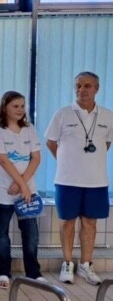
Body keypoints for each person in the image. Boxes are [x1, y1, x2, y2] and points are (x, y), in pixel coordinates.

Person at [45, 71, 113, 285]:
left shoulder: (108, 116)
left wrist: (88, 162)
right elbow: (51, 142)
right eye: (78, 86)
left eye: (87, 86)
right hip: (67, 180)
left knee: (90, 223)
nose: (82, 90)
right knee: (67, 222)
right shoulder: (63, 113)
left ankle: (86, 264)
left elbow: (106, 144)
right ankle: (67, 263)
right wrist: (66, 162)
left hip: (96, 180)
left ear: (97, 89)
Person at [0, 91, 45, 289]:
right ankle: (3, 272)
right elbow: (3, 160)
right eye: (15, 106)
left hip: (27, 192)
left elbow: (36, 158)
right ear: (5, 108)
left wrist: (23, 184)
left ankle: (33, 273)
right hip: (3, 191)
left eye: (22, 106)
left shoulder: (29, 129)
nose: (20, 110)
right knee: (1, 234)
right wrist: (21, 184)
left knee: (31, 233)